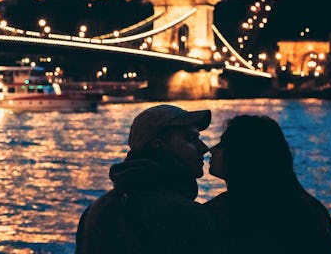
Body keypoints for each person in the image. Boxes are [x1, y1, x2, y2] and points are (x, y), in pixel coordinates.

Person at [76, 104, 223, 253]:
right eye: (190, 138)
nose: (204, 147)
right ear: (159, 145)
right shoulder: (187, 215)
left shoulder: (94, 211)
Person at [205, 115, 331, 254]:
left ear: (243, 155)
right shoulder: (312, 210)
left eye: (223, 145)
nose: (211, 149)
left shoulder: (222, 212)